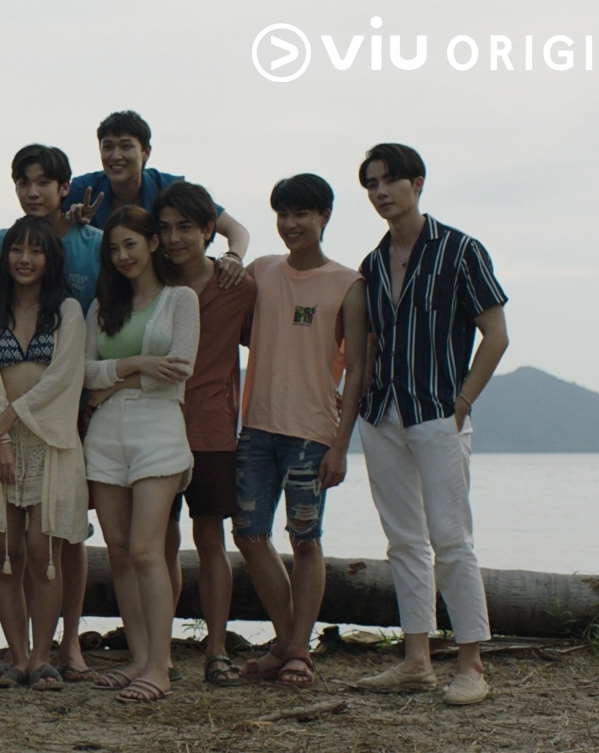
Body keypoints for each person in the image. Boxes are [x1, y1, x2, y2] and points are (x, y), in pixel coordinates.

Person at [350, 144, 508, 706]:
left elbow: (496, 335)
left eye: (390, 180)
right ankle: (416, 660)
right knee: (403, 540)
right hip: (382, 413)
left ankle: (471, 665)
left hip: (438, 411)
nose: (380, 192)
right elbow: (368, 344)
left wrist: (462, 402)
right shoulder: (371, 264)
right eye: (371, 184)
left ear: (417, 184)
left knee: (452, 538)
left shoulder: (460, 250)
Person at [231, 174, 366, 690]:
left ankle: (295, 650)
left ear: (324, 216)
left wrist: (341, 446)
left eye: (301, 214)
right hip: (256, 426)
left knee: (305, 539)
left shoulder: (348, 284)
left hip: (312, 433)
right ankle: (290, 644)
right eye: (282, 215)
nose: (290, 224)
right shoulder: (263, 270)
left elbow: (358, 370)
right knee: (248, 534)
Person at [0, 215, 89, 691]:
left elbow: (63, 378)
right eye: (17, 249)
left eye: (36, 250)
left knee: (43, 552)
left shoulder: (68, 313)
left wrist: (11, 417)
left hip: (49, 442)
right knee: (5, 555)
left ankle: (42, 657)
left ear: (50, 259)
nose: (25, 259)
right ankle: (16, 657)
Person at [81, 205, 199, 704]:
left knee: (148, 550)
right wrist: (137, 363)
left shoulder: (180, 299)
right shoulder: (101, 306)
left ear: (152, 243)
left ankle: (159, 665)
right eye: (113, 248)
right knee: (120, 551)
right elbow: (85, 374)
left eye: (130, 243)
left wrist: (115, 380)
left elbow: (179, 371)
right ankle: (137, 657)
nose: (122, 255)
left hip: (159, 429)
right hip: (106, 433)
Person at [149, 181, 258, 689]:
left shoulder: (237, 287)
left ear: (209, 230)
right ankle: (160, 650)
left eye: (186, 228)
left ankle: (217, 650)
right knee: (159, 542)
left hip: (212, 429)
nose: (174, 238)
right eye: (166, 228)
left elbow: (269, 345)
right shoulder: (151, 283)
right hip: (155, 425)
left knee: (211, 539)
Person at [61, 110, 250, 288]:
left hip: (161, 289)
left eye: (126, 146)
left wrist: (233, 257)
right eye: (107, 147)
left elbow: (236, 229)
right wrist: (69, 222)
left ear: (146, 152)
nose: (115, 156)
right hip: (100, 291)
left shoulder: (168, 189)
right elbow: (46, 230)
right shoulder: (83, 189)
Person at [0, 145, 103, 311]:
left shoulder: (96, 245)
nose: (32, 193)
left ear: (64, 188)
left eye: (43, 183)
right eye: (23, 183)